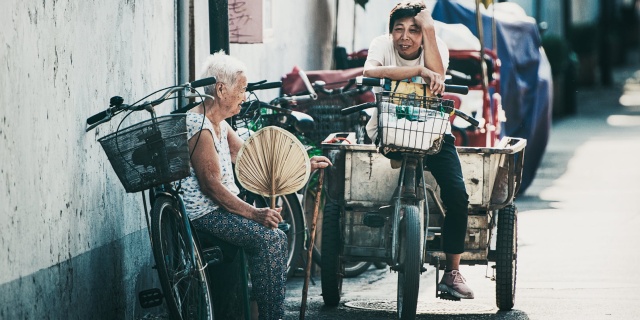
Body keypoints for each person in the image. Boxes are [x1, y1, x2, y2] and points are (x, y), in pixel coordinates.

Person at [181, 51, 332, 320]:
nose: (245, 95)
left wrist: (304, 164)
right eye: (241, 88)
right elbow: (211, 186)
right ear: (220, 89)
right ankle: (271, 316)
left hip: (220, 211)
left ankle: (262, 312)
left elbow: (256, 160)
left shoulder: (220, 124)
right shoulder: (198, 125)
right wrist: (255, 213)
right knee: (270, 239)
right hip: (204, 214)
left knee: (277, 232)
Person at [363, 1, 474, 299]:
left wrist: (430, 30)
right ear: (390, 33)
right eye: (399, 29)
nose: (405, 36)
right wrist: (417, 70)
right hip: (389, 131)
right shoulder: (381, 45)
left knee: (458, 196)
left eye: (414, 29)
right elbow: (370, 70)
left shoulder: (436, 44)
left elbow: (437, 75)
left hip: (433, 132)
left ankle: (452, 272)